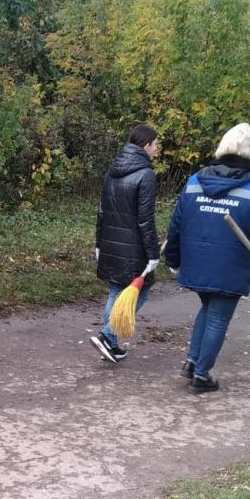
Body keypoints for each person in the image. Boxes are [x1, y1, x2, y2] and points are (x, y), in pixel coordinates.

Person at [165, 122, 250, 394]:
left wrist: (173, 259)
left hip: (197, 262)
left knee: (207, 309)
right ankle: (202, 375)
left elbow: (176, 224)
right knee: (217, 317)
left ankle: (192, 361)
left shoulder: (195, 180)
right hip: (231, 266)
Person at [90, 123, 160, 364]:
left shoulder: (113, 170)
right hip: (133, 249)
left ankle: (111, 343)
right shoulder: (146, 174)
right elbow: (145, 219)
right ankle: (108, 335)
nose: (157, 149)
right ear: (146, 144)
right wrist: (153, 253)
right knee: (140, 292)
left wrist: (99, 243)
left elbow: (102, 211)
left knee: (116, 290)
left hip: (111, 243)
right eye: (155, 144)